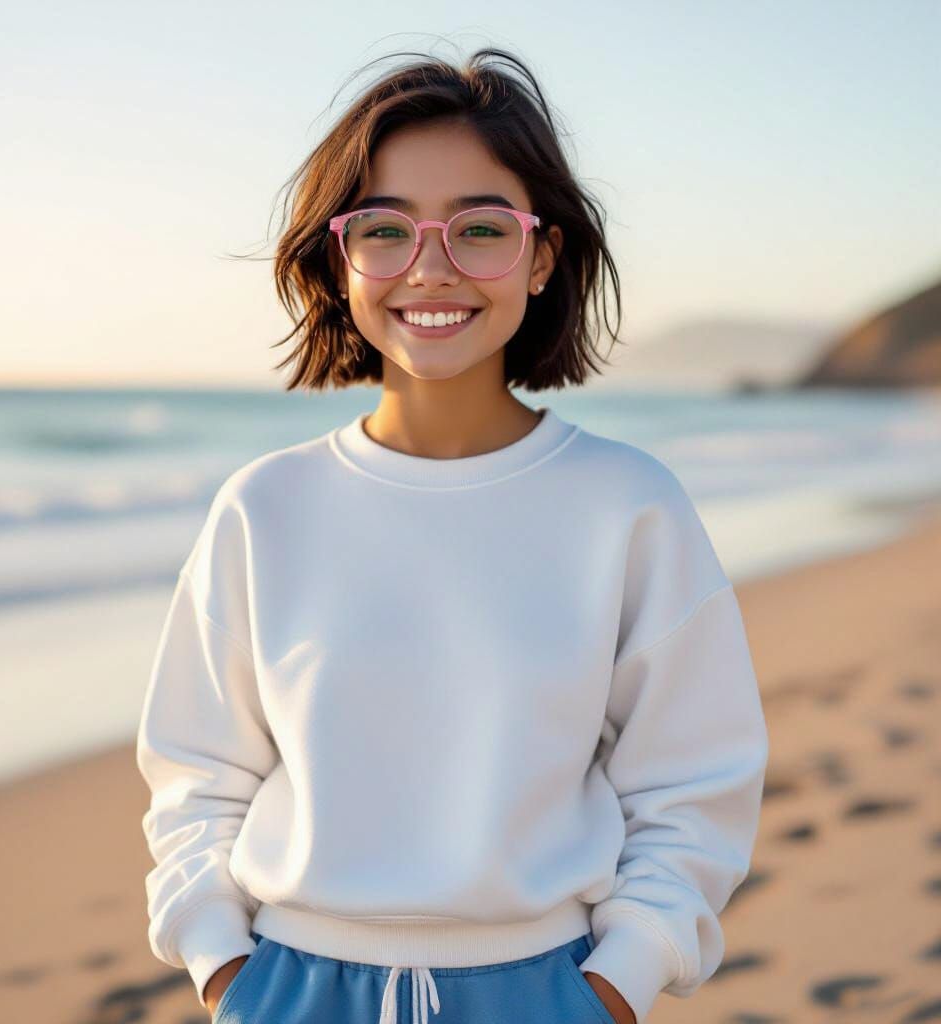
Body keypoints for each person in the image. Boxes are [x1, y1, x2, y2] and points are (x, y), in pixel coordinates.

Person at [136, 46, 770, 1024]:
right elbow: (197, 773)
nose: (430, 267)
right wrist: (227, 970)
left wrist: (617, 983)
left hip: (546, 988)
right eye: (384, 229)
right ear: (339, 258)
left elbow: (693, 778)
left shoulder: (627, 505)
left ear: (542, 253)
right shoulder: (264, 508)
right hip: (290, 989)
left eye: (480, 228)